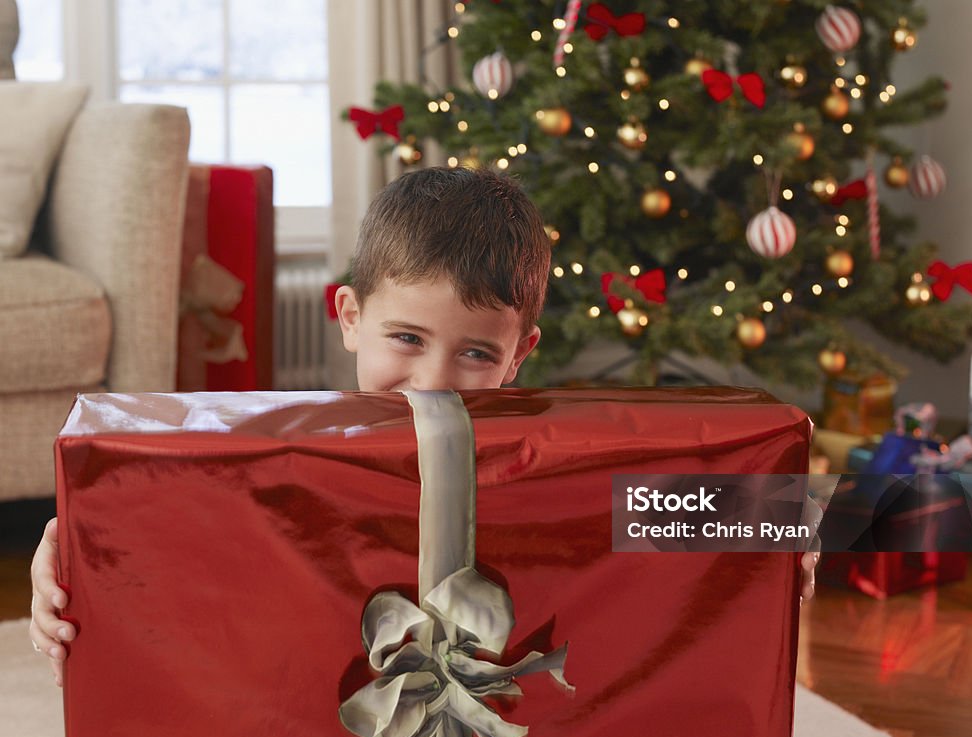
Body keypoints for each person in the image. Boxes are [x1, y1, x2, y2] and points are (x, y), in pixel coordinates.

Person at [29, 167, 818, 686]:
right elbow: (174, 511)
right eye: (405, 338)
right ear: (349, 316)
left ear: (519, 356)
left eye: (476, 352)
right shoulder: (288, 452)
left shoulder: (551, 464)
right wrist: (64, 547)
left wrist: (785, 539)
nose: (434, 379)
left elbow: (686, 514)